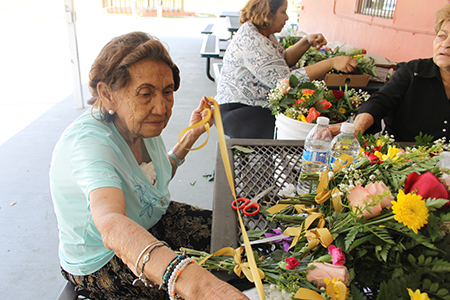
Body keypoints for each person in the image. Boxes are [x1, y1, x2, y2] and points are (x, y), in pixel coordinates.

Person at [50, 32, 249, 300]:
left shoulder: (141, 126)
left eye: (167, 92)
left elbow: (151, 177)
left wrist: (190, 137)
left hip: (150, 220)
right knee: (204, 283)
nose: (161, 107)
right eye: (146, 93)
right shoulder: (89, 145)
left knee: (238, 234)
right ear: (107, 94)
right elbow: (110, 221)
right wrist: (203, 287)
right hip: (104, 259)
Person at [215, 0, 358, 139]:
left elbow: (282, 60)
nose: (287, 17)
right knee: (293, 133)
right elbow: (287, 81)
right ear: (268, 14)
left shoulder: (263, 34)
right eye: (283, 11)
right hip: (238, 111)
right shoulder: (253, 41)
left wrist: (306, 41)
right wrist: (331, 63)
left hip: (252, 107)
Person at [352, 4, 450, 142]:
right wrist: (358, 125)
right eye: (442, 36)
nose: (446, 44)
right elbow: (381, 100)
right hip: (401, 157)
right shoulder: (413, 72)